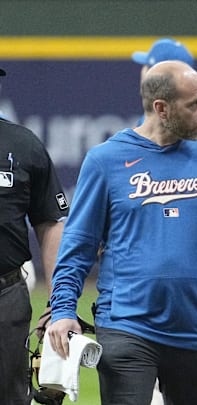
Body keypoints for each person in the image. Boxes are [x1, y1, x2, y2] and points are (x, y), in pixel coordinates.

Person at [46, 60, 197, 405]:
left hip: (194, 326)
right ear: (161, 108)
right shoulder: (105, 160)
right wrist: (63, 309)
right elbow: (77, 247)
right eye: (194, 104)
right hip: (126, 325)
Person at [0, 66, 70, 405]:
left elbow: (51, 222)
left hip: (5, 294)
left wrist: (59, 302)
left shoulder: (22, 144)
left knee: (10, 395)